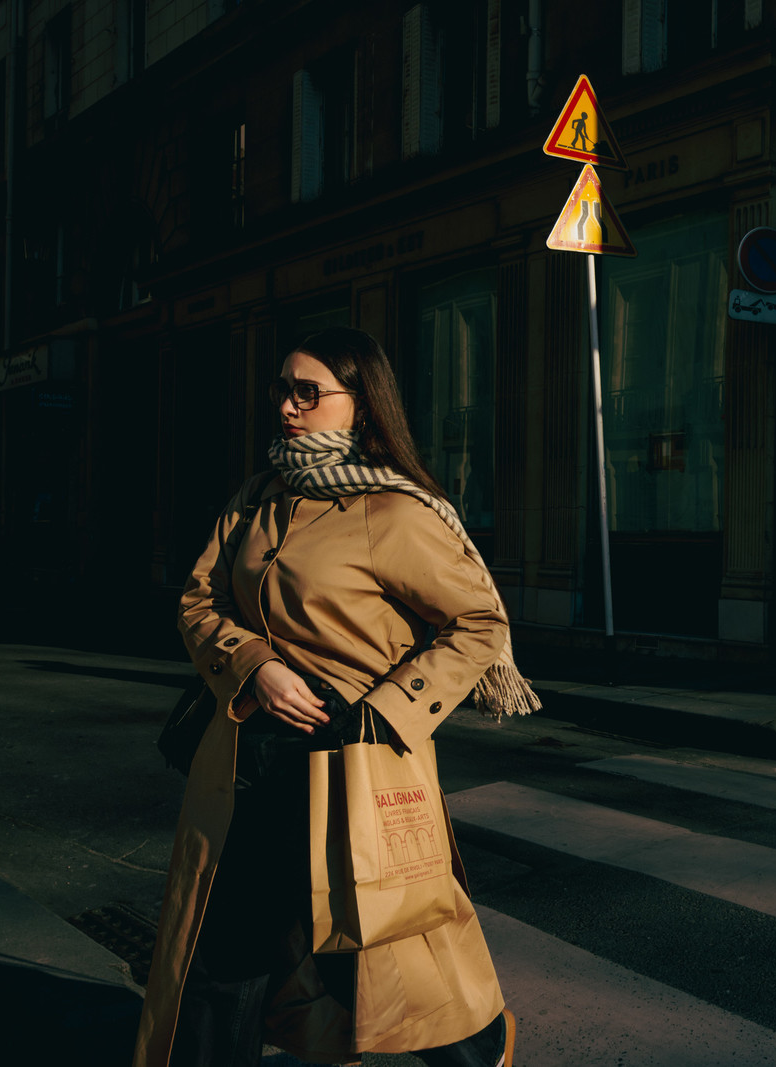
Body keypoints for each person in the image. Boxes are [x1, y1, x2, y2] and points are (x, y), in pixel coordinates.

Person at [135, 327, 538, 1067]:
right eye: (281, 388)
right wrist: (253, 662)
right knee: (228, 940)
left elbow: (479, 622)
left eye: (308, 391)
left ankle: (479, 1045)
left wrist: (387, 711)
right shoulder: (255, 499)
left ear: (361, 406)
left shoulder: (394, 512)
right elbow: (199, 600)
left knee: (377, 937)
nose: (287, 405)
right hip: (249, 754)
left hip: (353, 757)